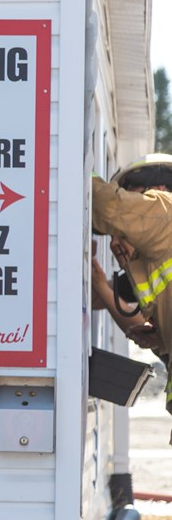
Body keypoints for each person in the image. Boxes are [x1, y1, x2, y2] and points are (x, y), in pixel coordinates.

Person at [91, 153, 172, 411]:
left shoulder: (164, 208)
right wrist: (161, 337)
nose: (115, 242)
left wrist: (72, 162)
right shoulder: (154, 260)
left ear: (158, 187)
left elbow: (106, 206)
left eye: (130, 195)